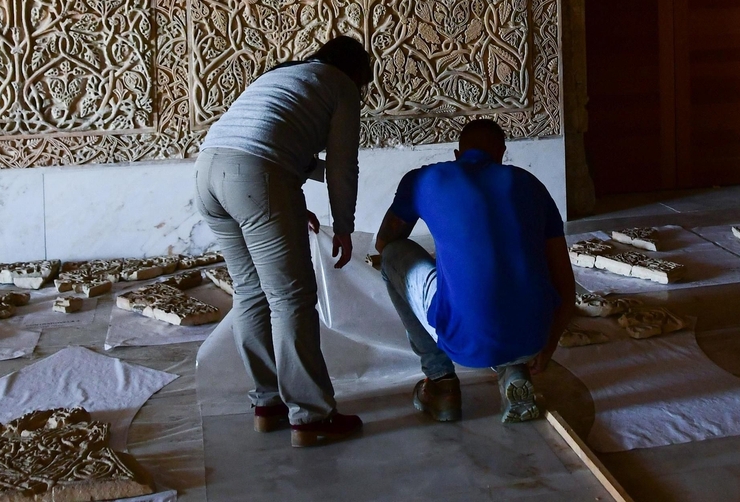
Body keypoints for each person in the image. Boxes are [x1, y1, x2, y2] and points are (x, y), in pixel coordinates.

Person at [194, 35, 371, 448]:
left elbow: (277, 141)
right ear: (357, 72)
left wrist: (283, 199)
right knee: (290, 297)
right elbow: (343, 165)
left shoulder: (285, 75)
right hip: (254, 176)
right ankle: (311, 416)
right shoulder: (340, 85)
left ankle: (268, 403)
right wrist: (343, 225)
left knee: (251, 291)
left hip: (206, 174)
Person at [373, 118, 575, 424]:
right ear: (502, 154)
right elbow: (564, 282)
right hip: (534, 338)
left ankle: (440, 384)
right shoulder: (530, 184)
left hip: (465, 342)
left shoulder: (424, 179)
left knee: (393, 257)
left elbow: (384, 242)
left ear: (457, 154)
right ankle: (514, 371)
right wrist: (547, 348)